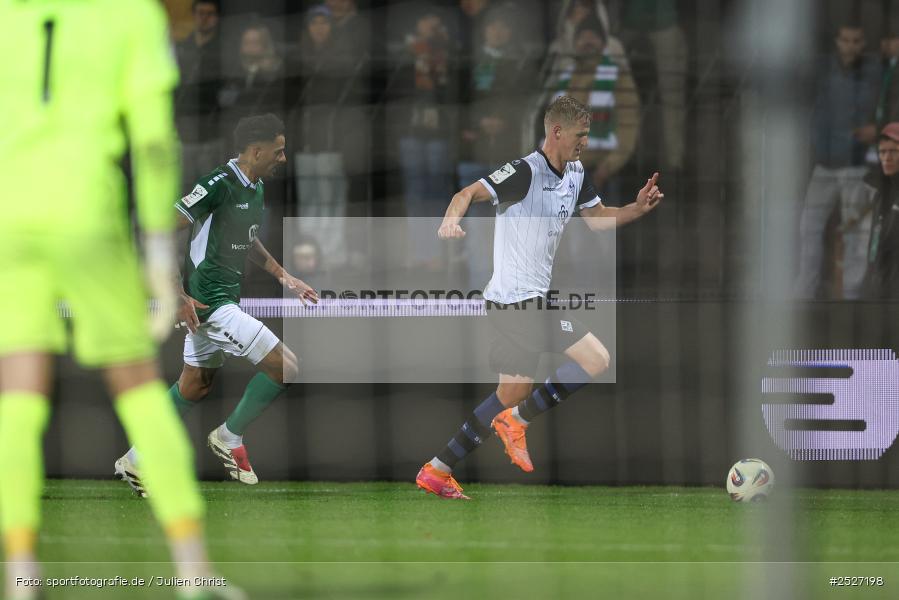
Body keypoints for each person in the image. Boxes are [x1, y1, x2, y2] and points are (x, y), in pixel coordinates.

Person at [0, 0, 233, 598]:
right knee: (136, 387)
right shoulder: (129, 15)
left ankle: (21, 576)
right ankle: (192, 571)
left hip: (10, 216)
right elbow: (155, 141)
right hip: (87, 213)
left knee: (18, 394)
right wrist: (158, 251)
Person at [415, 96, 663, 499]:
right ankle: (518, 421)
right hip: (519, 302)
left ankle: (437, 470)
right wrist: (449, 221)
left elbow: (598, 221)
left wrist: (636, 208)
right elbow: (466, 193)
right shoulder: (524, 172)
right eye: (580, 136)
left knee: (509, 394)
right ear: (556, 132)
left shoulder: (578, 173)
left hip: (513, 302)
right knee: (596, 359)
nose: (585, 143)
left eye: (588, 135)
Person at [116, 114, 318, 495]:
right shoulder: (217, 184)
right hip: (210, 305)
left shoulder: (253, 187)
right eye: (278, 151)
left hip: (220, 301)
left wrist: (283, 275)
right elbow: (159, 231)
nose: (283, 158)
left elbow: (248, 240)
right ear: (255, 151)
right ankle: (228, 436)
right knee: (286, 367)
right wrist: (175, 294)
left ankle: (137, 460)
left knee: (195, 386)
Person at [794, 23, 880, 299]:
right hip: (825, 164)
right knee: (809, 227)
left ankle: (852, 295)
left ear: (863, 43)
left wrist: (876, 130)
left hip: (857, 166)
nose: (851, 45)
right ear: (837, 41)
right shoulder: (823, 70)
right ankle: (806, 290)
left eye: (856, 40)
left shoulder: (874, 72)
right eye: (846, 40)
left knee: (857, 236)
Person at [175, 0, 226, 193]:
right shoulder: (182, 48)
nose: (204, 18)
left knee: (210, 189)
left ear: (217, 18)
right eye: (200, 13)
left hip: (212, 133)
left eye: (209, 14)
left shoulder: (223, 50)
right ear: (193, 15)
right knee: (184, 190)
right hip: (184, 132)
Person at [862, 122, 899, 297]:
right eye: (882, 152)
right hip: (880, 296)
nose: (887, 158)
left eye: (893, 151)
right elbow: (875, 247)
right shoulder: (881, 195)